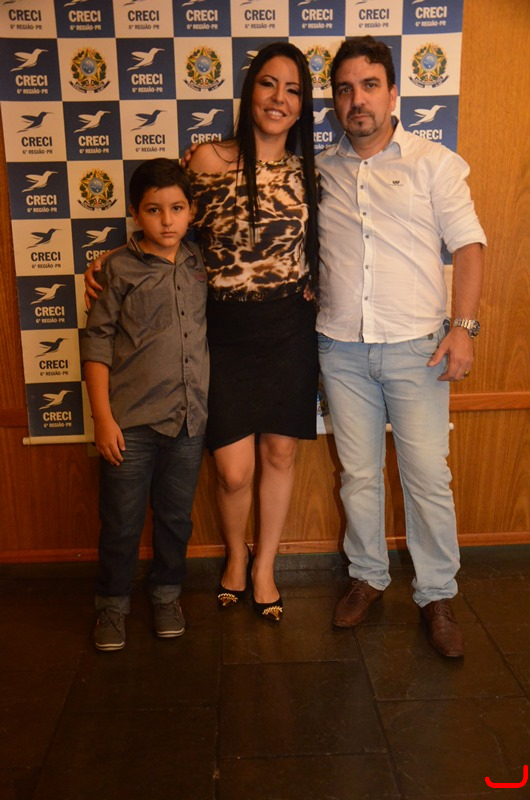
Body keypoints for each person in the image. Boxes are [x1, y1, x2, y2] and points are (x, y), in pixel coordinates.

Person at [85, 42, 319, 622]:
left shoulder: (311, 169)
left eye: (293, 89)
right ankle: (235, 555)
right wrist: (110, 259)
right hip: (224, 332)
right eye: (269, 84)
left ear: (303, 104)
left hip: (289, 329)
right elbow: (162, 214)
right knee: (234, 471)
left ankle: (262, 568)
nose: (279, 98)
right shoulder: (208, 159)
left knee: (280, 453)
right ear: (250, 90)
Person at [316, 37, 486, 657]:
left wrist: (463, 329)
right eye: (344, 89)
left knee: (428, 478)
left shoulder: (434, 163)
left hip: (419, 350)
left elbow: (469, 246)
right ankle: (367, 576)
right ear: (334, 99)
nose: (356, 100)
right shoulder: (319, 170)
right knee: (358, 475)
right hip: (340, 350)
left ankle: (436, 594)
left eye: (369, 86)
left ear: (392, 93)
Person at [81, 158, 208, 651]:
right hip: (129, 424)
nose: (167, 220)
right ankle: (112, 605)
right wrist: (103, 418)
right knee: (121, 521)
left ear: (191, 211)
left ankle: (167, 595)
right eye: (154, 210)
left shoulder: (200, 262)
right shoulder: (116, 268)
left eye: (177, 208)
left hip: (187, 421)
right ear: (135, 214)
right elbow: (96, 344)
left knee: (176, 518)